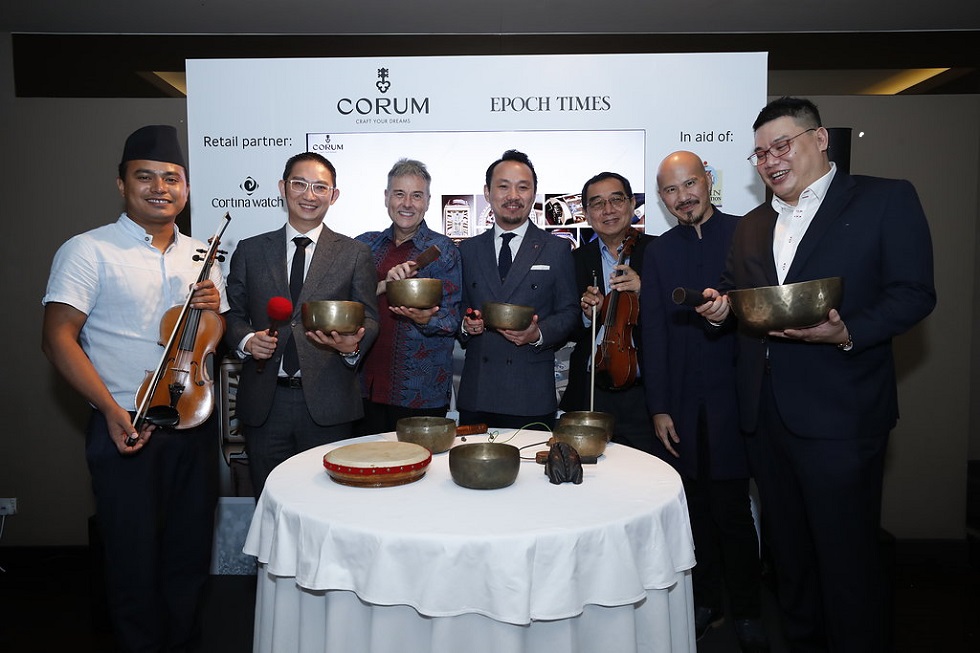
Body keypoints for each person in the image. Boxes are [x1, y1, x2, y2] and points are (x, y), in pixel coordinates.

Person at [698, 97, 936, 652]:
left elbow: (914, 294)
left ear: (820, 138)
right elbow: (741, 297)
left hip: (841, 416)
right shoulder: (752, 225)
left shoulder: (884, 199)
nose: (770, 161)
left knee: (848, 562)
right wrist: (721, 309)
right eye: (759, 154)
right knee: (790, 563)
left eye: (781, 145)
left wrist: (848, 331)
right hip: (766, 418)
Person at [41, 125, 227, 652]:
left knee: (189, 560)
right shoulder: (87, 250)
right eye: (145, 176)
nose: (160, 187)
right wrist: (108, 408)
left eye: (171, 177)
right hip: (125, 423)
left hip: (191, 427)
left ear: (186, 188)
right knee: (131, 562)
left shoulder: (203, 254)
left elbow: (212, 341)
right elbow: (57, 338)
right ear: (121, 183)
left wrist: (212, 311)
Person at [643, 151, 768, 650]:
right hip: (680, 402)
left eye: (689, 184)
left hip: (735, 398)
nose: (682, 197)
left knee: (733, 511)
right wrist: (658, 406)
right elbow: (652, 329)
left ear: (707, 182)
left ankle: (750, 611)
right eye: (671, 191)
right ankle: (706, 600)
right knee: (692, 511)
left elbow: (764, 311)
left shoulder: (747, 233)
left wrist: (730, 311)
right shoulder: (658, 250)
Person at [224, 151, 379, 497]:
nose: (309, 195)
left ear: (333, 195)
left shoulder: (355, 254)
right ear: (283, 187)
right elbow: (231, 315)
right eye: (300, 184)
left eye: (320, 187)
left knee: (329, 504)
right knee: (270, 505)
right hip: (266, 402)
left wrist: (352, 345)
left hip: (329, 404)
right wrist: (247, 340)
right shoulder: (250, 251)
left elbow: (370, 316)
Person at [456, 149, 578, 429]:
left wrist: (538, 333)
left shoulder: (557, 249)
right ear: (487, 192)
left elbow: (569, 312)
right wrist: (465, 325)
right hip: (478, 393)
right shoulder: (468, 250)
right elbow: (456, 306)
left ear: (534, 194)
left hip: (530, 393)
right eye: (503, 186)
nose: (513, 196)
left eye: (523, 187)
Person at [354, 158, 462, 434]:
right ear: (387, 197)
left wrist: (426, 319)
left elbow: (452, 319)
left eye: (416, 196)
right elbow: (344, 302)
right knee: (367, 471)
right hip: (364, 387)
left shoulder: (443, 249)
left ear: (427, 201)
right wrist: (382, 285)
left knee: (418, 472)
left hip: (420, 392)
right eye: (399, 194)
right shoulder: (363, 245)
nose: (407, 204)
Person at [560, 171, 656, 453]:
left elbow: (678, 318)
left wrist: (644, 292)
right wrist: (588, 315)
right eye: (597, 204)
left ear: (631, 204)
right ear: (587, 214)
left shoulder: (659, 251)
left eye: (616, 200)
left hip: (646, 396)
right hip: (591, 391)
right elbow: (567, 327)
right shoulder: (574, 260)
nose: (608, 210)